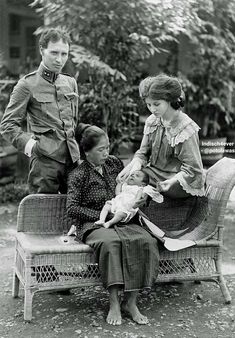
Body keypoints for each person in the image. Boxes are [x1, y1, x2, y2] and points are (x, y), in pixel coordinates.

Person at [66, 123, 159, 326]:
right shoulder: (78, 174)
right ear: (87, 152)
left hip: (124, 219)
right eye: (100, 150)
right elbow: (72, 209)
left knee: (145, 241)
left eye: (108, 147)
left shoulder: (114, 164)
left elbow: (133, 187)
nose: (106, 153)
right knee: (111, 244)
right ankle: (114, 303)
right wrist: (103, 217)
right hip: (94, 224)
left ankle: (131, 302)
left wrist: (143, 199)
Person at [118, 74, 208, 236]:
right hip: (153, 174)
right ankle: (124, 226)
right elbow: (143, 152)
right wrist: (134, 166)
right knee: (122, 180)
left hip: (178, 181)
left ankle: (138, 230)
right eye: (149, 105)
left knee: (138, 190)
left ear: (170, 100)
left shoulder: (185, 128)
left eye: (157, 104)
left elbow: (193, 170)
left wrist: (171, 182)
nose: (152, 109)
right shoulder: (152, 121)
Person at [0, 28, 80, 193]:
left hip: (73, 161)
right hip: (45, 165)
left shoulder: (70, 83)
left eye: (64, 54)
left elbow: (73, 122)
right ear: (42, 50)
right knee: (42, 215)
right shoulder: (27, 84)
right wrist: (33, 147)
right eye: (54, 53)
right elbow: (7, 125)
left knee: (73, 215)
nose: (59, 59)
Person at [95, 170, 163, 228]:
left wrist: (136, 203)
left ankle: (109, 223)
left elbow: (139, 197)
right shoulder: (125, 186)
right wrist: (119, 184)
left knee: (120, 214)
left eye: (137, 175)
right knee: (106, 206)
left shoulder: (140, 189)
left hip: (127, 207)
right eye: (132, 175)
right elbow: (118, 193)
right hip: (117, 203)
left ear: (142, 184)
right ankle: (101, 220)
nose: (132, 176)